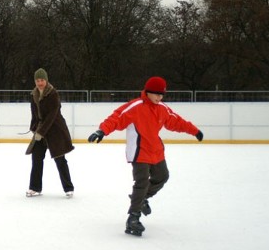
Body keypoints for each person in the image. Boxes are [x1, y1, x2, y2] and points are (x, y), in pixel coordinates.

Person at [87, 76, 204, 236]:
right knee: (141, 182)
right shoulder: (135, 106)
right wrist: (102, 131)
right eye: (156, 94)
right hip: (139, 151)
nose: (159, 97)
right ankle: (133, 218)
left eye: (161, 94)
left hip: (156, 151)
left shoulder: (162, 108)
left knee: (162, 176)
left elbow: (177, 122)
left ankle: (141, 199)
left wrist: (194, 130)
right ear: (147, 92)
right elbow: (116, 118)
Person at [26, 68, 75, 198]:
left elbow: (52, 116)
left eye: (42, 80)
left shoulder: (53, 94)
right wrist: (33, 127)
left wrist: (41, 131)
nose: (40, 83)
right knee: (36, 158)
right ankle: (35, 187)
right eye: (37, 80)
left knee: (60, 159)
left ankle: (68, 188)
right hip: (41, 130)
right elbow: (35, 115)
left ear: (46, 80)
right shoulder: (33, 95)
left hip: (55, 130)